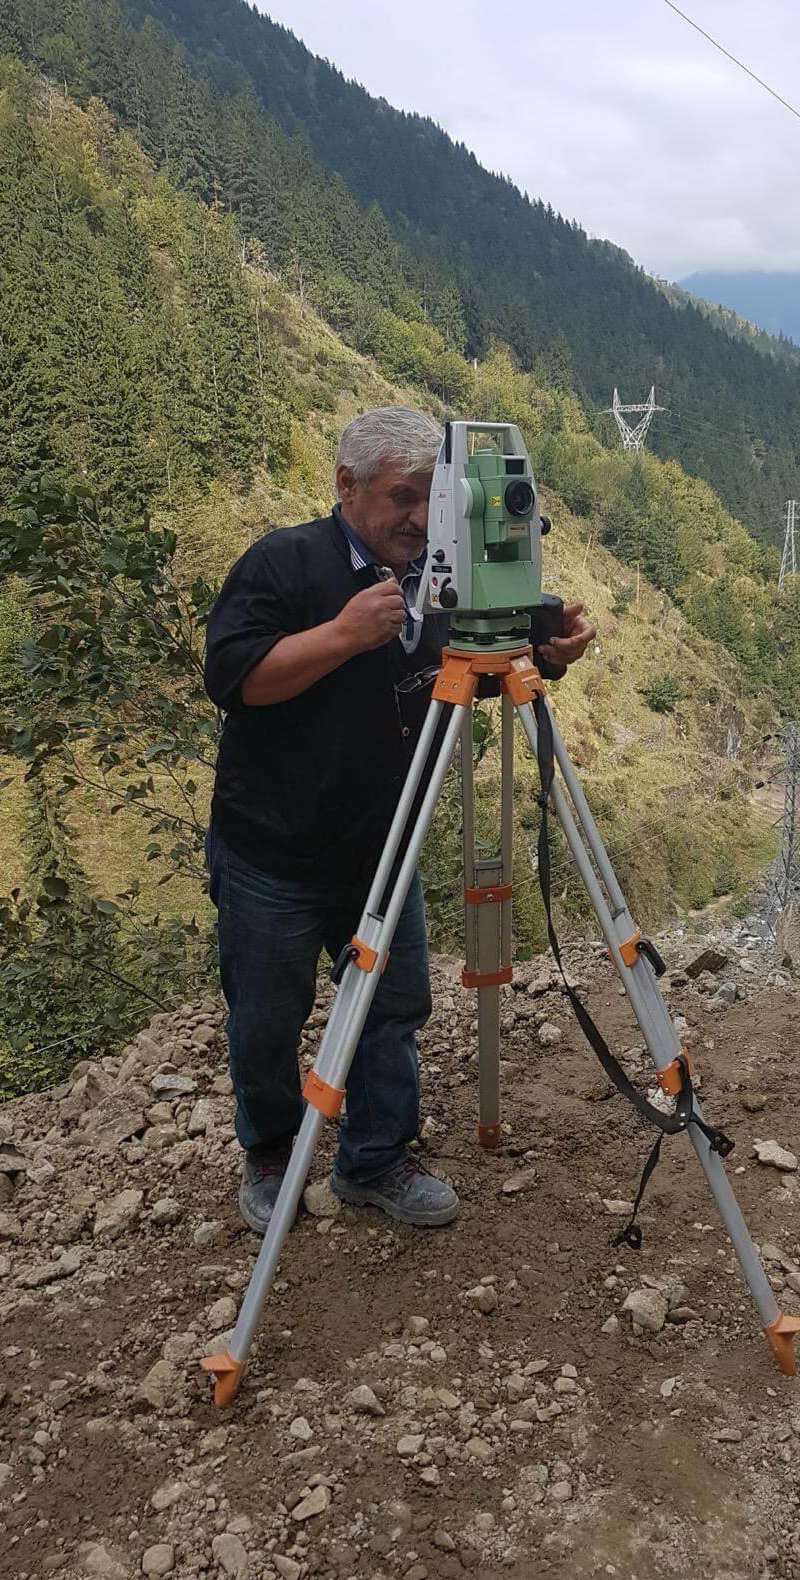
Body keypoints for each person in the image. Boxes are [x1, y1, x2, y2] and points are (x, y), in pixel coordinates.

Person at [203, 406, 596, 1235]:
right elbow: (237, 679)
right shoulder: (285, 563)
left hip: (384, 847)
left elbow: (464, 681)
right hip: (272, 852)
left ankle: (375, 1159)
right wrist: (343, 636)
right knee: (268, 1016)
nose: (420, 518)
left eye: (435, 499)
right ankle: (273, 1152)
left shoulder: (440, 575)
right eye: (402, 497)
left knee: (392, 1006)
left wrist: (545, 655)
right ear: (346, 486)